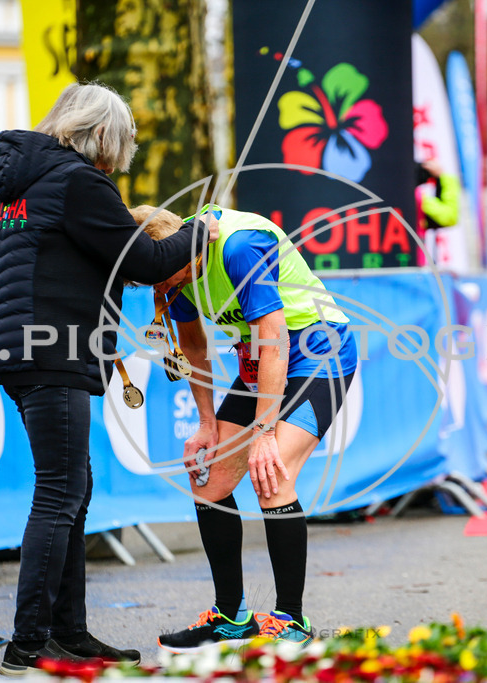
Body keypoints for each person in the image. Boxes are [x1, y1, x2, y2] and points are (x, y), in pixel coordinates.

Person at [0, 82, 219, 676]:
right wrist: (203, 227)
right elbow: (147, 262)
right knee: (60, 493)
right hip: (54, 351)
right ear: (102, 137)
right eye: (123, 142)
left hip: (25, 348)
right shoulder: (80, 182)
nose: (123, 155)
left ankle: (68, 631)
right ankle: (30, 639)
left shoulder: (29, 181)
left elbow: (88, 253)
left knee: (72, 489)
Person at [129, 203, 358, 651]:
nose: (160, 288)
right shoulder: (171, 267)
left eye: (165, 278)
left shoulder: (238, 247)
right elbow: (194, 348)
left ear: (187, 251)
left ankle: (292, 618)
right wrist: (206, 423)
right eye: (151, 280)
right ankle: (231, 616)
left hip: (315, 351)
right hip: (260, 362)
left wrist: (266, 433)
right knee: (209, 477)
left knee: (272, 474)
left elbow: (275, 340)